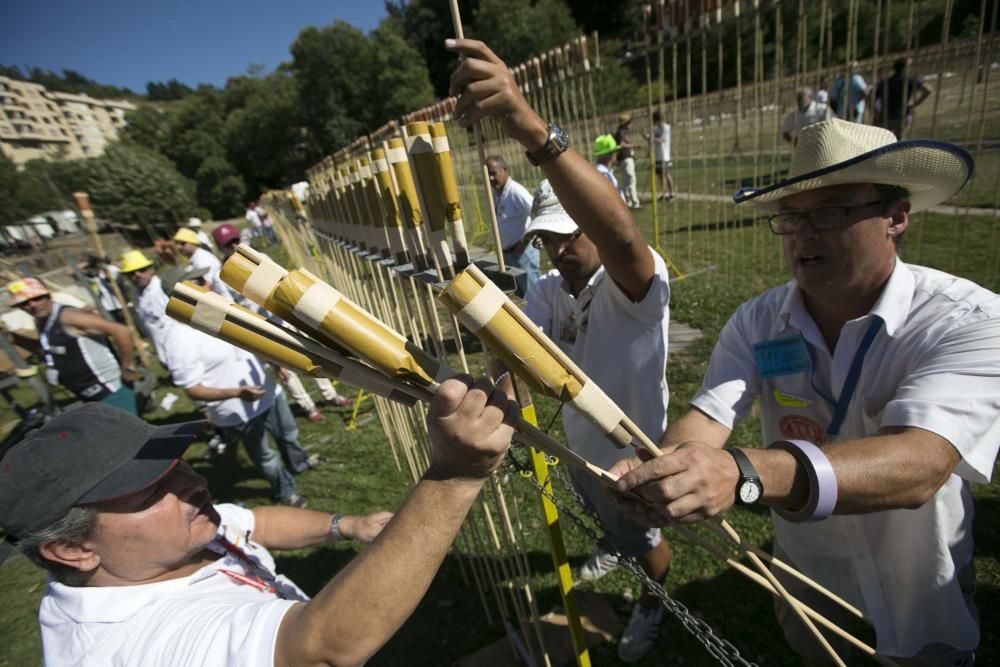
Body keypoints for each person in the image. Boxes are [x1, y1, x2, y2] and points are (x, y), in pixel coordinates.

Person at [611, 118, 996, 665]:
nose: (804, 233)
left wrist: (744, 475)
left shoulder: (968, 322)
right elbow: (708, 414)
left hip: (920, 592)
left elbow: (920, 462)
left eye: (830, 212)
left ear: (896, 217)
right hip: (809, 584)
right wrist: (663, 467)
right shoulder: (758, 321)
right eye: (790, 217)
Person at [0, 377, 512, 666]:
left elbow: (253, 522)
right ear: (70, 550)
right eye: (154, 489)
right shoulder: (135, 649)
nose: (195, 485)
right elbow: (324, 649)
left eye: (177, 466)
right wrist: (454, 477)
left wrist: (344, 524)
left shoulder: (150, 549)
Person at [446, 39, 673, 662]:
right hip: (579, 443)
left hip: (634, 446)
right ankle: (614, 544)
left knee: (647, 534)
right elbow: (518, 348)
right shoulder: (550, 287)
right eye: (546, 241)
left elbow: (623, 237)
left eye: (570, 237)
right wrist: (507, 394)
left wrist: (531, 130)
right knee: (605, 518)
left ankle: (654, 602)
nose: (558, 251)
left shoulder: (635, 288)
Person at [211, 223, 353, 419]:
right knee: (286, 369)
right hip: (262, 327)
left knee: (311, 355)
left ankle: (330, 395)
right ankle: (308, 406)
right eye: (228, 245)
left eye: (236, 241)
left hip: (285, 317)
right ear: (221, 248)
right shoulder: (222, 277)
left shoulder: (260, 259)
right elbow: (233, 307)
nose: (234, 246)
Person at [7, 276, 139, 414]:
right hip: (88, 393)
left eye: (37, 298)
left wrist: (128, 367)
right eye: (25, 303)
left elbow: (121, 331)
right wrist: (12, 338)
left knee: (129, 433)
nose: (33, 305)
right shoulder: (42, 321)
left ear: (47, 295)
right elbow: (46, 350)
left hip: (109, 390)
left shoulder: (69, 316)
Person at [485, 155, 540, 288]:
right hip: (509, 254)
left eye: (493, 173)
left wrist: (525, 241)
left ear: (504, 170)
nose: (491, 179)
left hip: (523, 254)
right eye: (488, 175)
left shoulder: (516, 192)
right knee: (520, 294)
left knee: (533, 294)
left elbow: (537, 213)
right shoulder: (498, 193)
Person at [873, 57, 933, 139]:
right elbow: (928, 90)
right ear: (905, 68)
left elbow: (873, 98)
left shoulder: (885, 82)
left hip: (885, 116)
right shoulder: (909, 80)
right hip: (902, 116)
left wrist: (875, 113)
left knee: (885, 141)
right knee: (899, 143)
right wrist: (914, 104)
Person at [173, 227, 228, 296]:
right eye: (176, 243)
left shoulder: (201, 258)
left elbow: (208, 287)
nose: (179, 247)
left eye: (182, 243)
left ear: (193, 242)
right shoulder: (196, 257)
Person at [614, 113, 641, 209]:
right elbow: (621, 144)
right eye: (630, 123)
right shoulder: (621, 132)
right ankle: (634, 201)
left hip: (623, 159)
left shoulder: (621, 132)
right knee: (631, 180)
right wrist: (634, 146)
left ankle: (628, 200)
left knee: (626, 181)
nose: (631, 125)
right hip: (625, 158)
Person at [646, 110, 674, 201]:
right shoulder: (655, 128)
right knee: (660, 176)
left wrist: (650, 138)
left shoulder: (665, 128)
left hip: (664, 155)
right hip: (657, 156)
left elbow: (661, 140)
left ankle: (671, 193)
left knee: (666, 174)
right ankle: (664, 193)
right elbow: (652, 141)